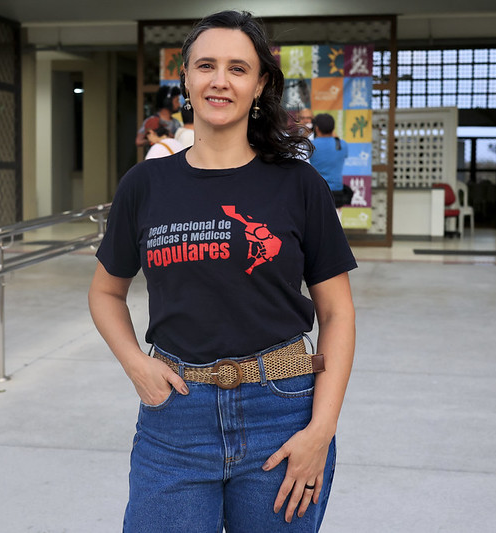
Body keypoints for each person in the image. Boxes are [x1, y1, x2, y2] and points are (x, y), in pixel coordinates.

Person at [88, 10, 356, 532]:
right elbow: (105, 293)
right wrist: (136, 365)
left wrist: (320, 431)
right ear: (185, 78)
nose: (220, 80)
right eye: (206, 65)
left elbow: (338, 313)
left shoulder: (298, 186)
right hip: (177, 418)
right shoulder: (145, 185)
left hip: (282, 414)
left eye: (238, 68)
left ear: (259, 85)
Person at [309, 113, 351, 207]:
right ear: (333, 128)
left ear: (316, 128)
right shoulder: (341, 145)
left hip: (318, 192)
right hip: (337, 193)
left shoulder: (310, 146)